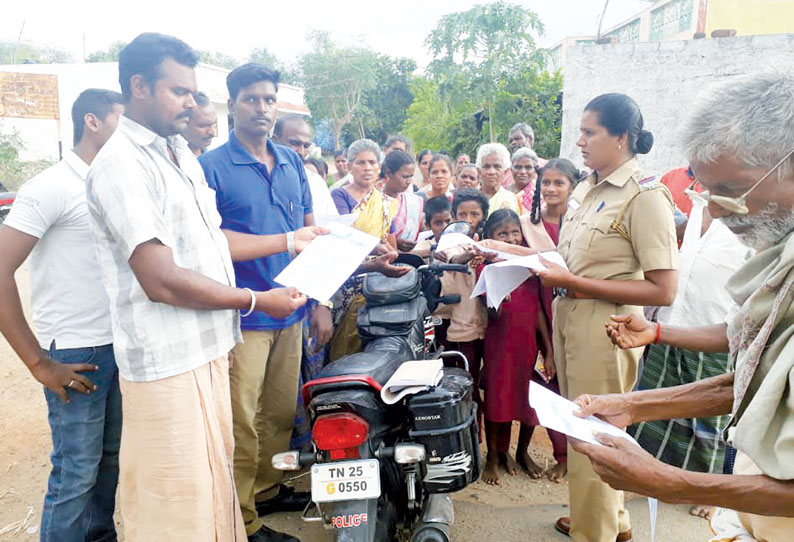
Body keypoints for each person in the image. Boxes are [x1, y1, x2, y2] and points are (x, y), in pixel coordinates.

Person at [87, 34, 318, 542]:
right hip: (168, 358)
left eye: (194, 93)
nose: (192, 104)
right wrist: (256, 299)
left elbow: (214, 242)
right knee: (174, 500)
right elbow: (160, 278)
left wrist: (290, 241)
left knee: (211, 487)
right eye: (180, 92)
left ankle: (249, 516)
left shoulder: (176, 155)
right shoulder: (123, 163)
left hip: (210, 343)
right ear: (139, 86)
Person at [571, 72, 794, 542]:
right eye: (705, 191)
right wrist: (631, 405)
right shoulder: (779, 255)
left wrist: (671, 483)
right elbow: (756, 374)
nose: (717, 209)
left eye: (733, 190)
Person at [532, 93, 679, 542]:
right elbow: (571, 258)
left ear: (621, 138)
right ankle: (612, 522)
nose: (580, 141)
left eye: (589, 132)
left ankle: (591, 532)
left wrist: (579, 285)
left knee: (590, 440)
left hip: (608, 331)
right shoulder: (589, 188)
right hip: (572, 322)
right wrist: (513, 253)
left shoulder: (645, 197)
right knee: (587, 430)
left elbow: (662, 288)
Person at [199, 63, 323, 542]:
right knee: (241, 420)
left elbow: (310, 229)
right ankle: (241, 518)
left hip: (292, 311)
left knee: (277, 413)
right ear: (231, 104)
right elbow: (212, 243)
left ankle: (268, 489)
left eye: (270, 99)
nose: (262, 108)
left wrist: (321, 292)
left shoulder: (291, 162)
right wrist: (287, 240)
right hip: (245, 314)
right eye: (251, 99)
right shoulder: (210, 167)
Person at [0, 89, 124, 541]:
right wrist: (38, 362)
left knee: (108, 464)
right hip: (77, 350)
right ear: (92, 122)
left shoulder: (113, 182)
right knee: (75, 473)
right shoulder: (51, 186)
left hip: (119, 344)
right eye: (120, 121)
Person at [631, 195, 748, 520]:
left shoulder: (750, 220)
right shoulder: (696, 211)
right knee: (660, 406)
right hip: (671, 323)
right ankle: (661, 477)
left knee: (710, 421)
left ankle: (713, 493)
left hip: (715, 330)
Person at [478, 210, 555, 486]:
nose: (511, 238)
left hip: (528, 345)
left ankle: (522, 452)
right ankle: (493, 457)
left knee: (529, 401)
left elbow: (537, 313)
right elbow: (492, 314)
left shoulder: (529, 264)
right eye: (503, 234)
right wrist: (497, 300)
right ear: (491, 238)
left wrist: (548, 348)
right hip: (500, 345)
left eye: (514, 233)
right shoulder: (487, 267)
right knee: (498, 399)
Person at [434, 189, 490, 418]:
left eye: (474, 214)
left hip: (490, 326)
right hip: (461, 328)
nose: (468, 220)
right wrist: (468, 256)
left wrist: (484, 253)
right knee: (465, 382)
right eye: (462, 214)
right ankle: (473, 438)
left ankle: (484, 437)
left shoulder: (490, 242)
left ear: (483, 216)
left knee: (485, 382)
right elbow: (451, 258)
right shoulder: (451, 242)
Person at [272, 114, 337, 217]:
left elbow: (333, 223)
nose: (301, 151)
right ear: (276, 140)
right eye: (294, 143)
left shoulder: (316, 182)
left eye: (306, 146)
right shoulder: (260, 177)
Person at [383, 150, 423, 252]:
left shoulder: (413, 202)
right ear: (388, 173)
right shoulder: (373, 201)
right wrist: (394, 242)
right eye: (405, 176)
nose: (409, 181)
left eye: (411, 176)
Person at [477, 143, 521, 216]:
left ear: (505, 171)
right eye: (486, 166)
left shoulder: (513, 199)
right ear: (479, 171)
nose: (491, 172)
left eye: (497, 166)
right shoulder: (470, 199)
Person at [182, 90, 217, 156]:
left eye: (214, 124)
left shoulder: (213, 160)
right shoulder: (165, 161)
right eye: (203, 125)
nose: (212, 132)